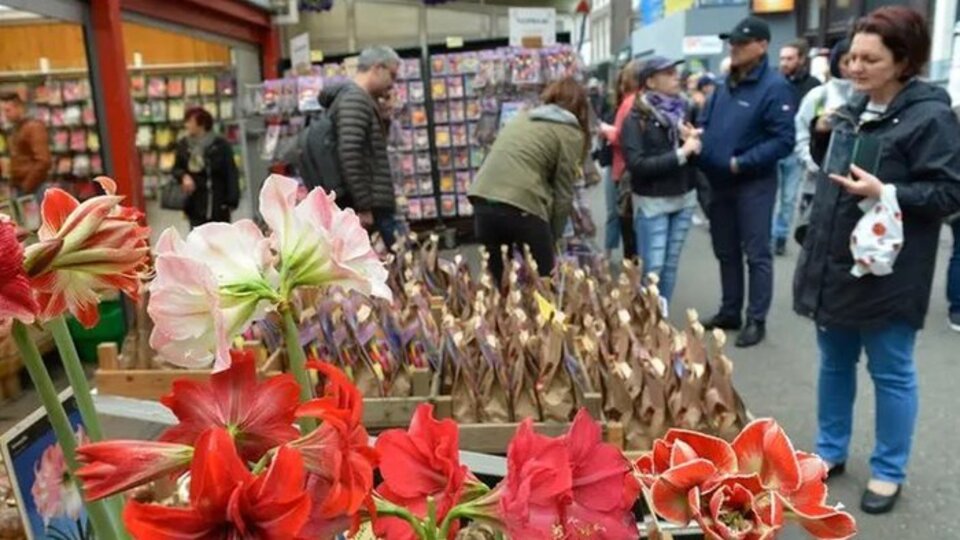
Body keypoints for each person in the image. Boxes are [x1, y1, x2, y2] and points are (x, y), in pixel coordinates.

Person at [793, 6, 960, 514]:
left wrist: (887, 190)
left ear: (903, 61)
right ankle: (829, 451)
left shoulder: (931, 115)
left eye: (870, 59)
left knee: (891, 372)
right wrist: (826, 140)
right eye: (851, 58)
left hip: (889, 273)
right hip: (835, 264)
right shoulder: (849, 106)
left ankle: (889, 470)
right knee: (834, 364)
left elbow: (948, 193)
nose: (855, 68)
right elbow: (835, 183)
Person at [697, 16, 796, 347]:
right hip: (719, 182)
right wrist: (698, 136)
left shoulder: (774, 86)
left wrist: (742, 163)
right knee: (725, 250)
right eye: (733, 42)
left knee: (756, 253)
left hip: (752, 182)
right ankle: (730, 311)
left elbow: (783, 141)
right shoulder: (727, 84)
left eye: (741, 42)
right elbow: (707, 120)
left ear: (762, 46)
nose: (734, 48)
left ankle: (756, 319)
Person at [468, 77, 589, 283]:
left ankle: (502, 313)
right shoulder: (570, 131)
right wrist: (554, 238)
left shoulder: (523, 118)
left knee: (500, 284)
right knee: (545, 281)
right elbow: (563, 193)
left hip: (482, 200)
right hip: (522, 205)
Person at [620, 57, 701, 306]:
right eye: (668, 73)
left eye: (676, 71)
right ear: (651, 81)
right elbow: (638, 165)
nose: (676, 76)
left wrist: (695, 143)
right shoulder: (635, 118)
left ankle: (660, 321)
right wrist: (682, 152)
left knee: (670, 264)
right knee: (652, 266)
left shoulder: (685, 110)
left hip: (684, 197)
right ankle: (648, 321)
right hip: (652, 201)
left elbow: (695, 156)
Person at [318, 45, 400, 248]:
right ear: (377, 68)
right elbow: (350, 153)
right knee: (397, 261)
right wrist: (363, 207)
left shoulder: (359, 99)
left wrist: (385, 117)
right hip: (371, 205)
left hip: (372, 203)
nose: (392, 84)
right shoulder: (355, 99)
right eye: (392, 75)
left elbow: (366, 148)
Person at [793, 38, 855, 245]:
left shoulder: (871, 96)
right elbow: (800, 129)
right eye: (848, 61)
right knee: (814, 241)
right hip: (816, 183)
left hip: (855, 188)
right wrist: (810, 161)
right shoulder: (819, 95)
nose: (854, 68)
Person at [773, 39, 821, 256]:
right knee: (769, 197)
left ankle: (780, 236)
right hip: (772, 149)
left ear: (801, 59)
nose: (784, 62)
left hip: (795, 151)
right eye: (782, 58)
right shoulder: (773, 82)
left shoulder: (814, 86)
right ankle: (767, 236)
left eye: (789, 58)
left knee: (789, 198)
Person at [599, 61, 641, 261]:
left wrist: (605, 130)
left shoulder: (629, 103)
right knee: (625, 218)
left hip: (624, 168)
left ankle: (630, 267)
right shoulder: (634, 101)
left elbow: (621, 137)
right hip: (625, 166)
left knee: (624, 218)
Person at [172, 107, 239, 228]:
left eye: (190, 122)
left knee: (221, 238)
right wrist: (183, 176)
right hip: (195, 202)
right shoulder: (184, 144)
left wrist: (232, 200)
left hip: (218, 201)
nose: (186, 125)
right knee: (198, 239)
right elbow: (176, 168)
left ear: (201, 124)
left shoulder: (220, 144)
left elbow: (231, 172)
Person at [0, 92, 51, 199]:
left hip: (34, 188)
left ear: (19, 107)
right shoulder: (17, 128)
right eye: (3, 111)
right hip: (23, 187)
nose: (5, 115)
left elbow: (43, 160)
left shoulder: (34, 127)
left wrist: (27, 185)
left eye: (8, 110)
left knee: (37, 215)